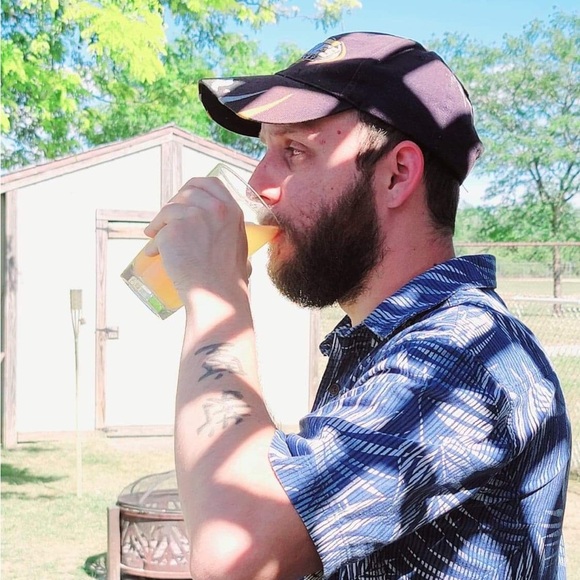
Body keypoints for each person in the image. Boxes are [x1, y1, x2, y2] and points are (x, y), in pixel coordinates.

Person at [145, 32, 571, 579]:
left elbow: (233, 551)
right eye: (265, 150)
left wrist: (215, 290)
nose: (258, 183)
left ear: (397, 174)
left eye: (294, 151)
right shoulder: (385, 343)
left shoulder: (464, 354)